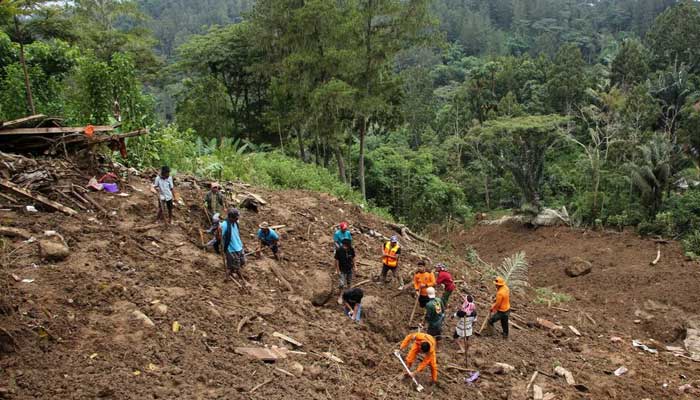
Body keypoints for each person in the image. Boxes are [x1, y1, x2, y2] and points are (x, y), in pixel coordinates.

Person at [219, 208, 246, 281]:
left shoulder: (235, 222)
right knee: (236, 265)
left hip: (239, 246)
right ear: (231, 217)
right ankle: (242, 279)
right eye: (236, 218)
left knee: (242, 262)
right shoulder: (224, 225)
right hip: (231, 249)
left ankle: (230, 272)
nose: (237, 219)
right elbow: (219, 236)